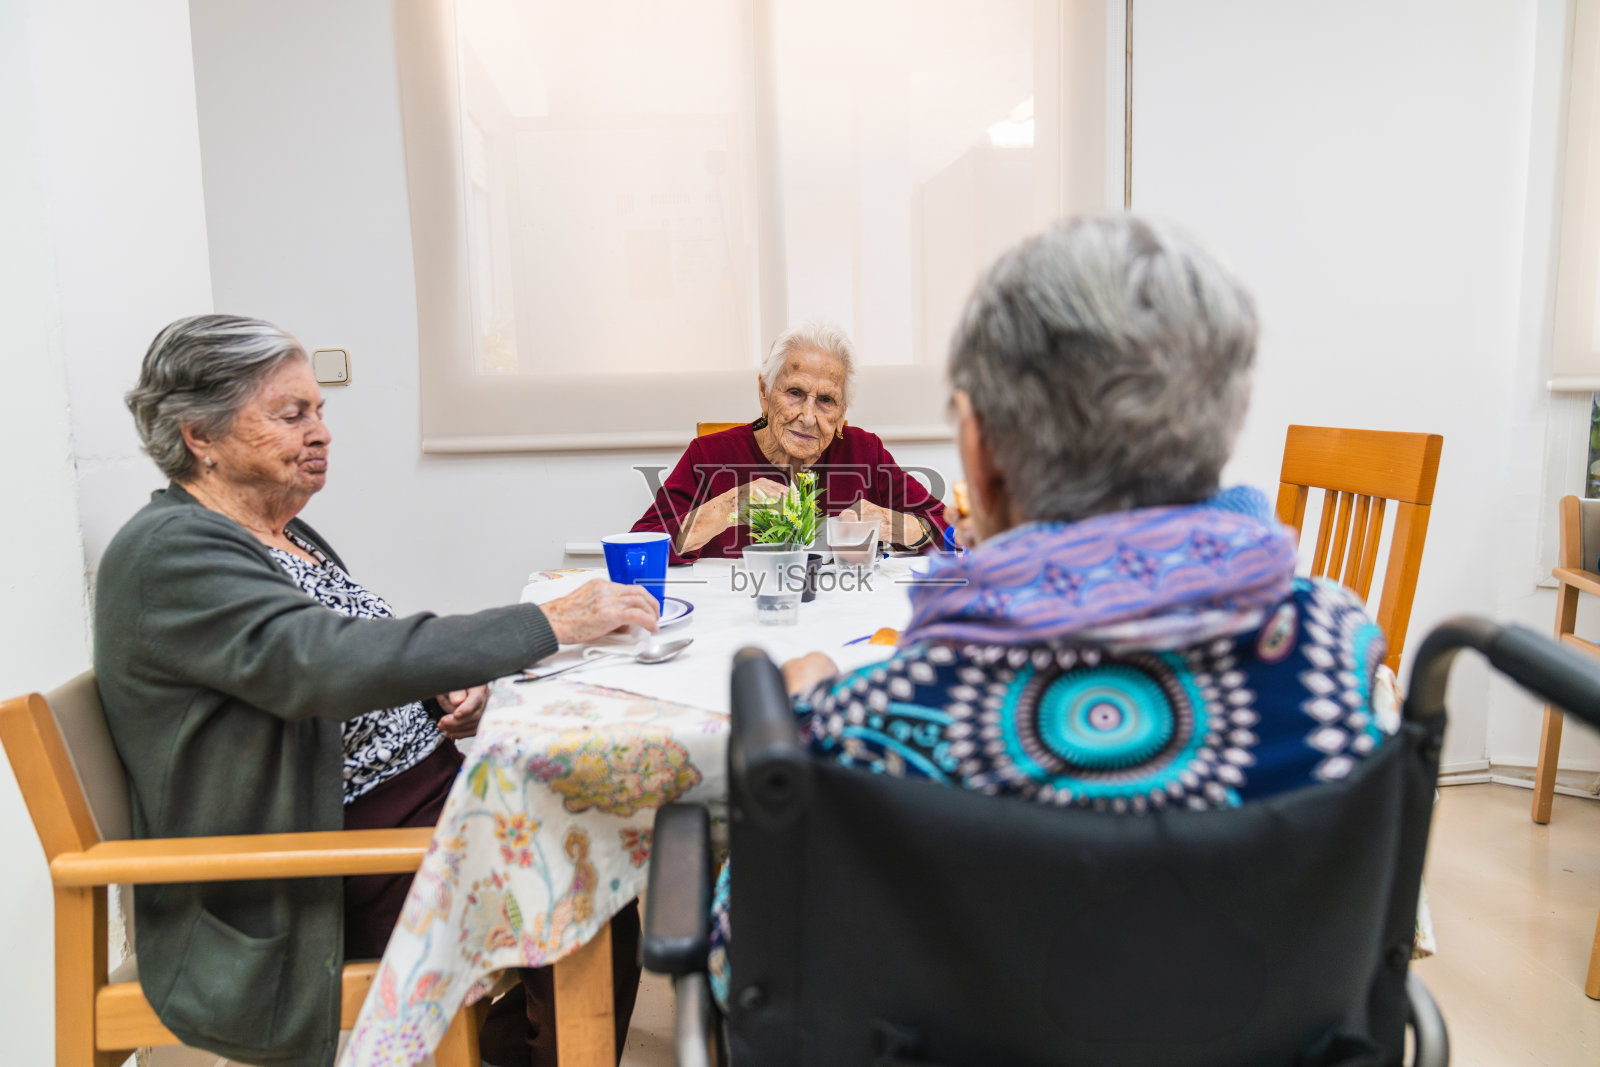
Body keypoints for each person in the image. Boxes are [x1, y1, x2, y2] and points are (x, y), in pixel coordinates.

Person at [706, 214, 1398, 1006]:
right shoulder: (1339, 659)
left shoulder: (875, 720)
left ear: (982, 455)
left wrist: (792, 727)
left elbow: (745, 961)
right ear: (1222, 427)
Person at [94, 315, 658, 1067]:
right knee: (578, 887)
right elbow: (319, 662)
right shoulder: (171, 551)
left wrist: (437, 696)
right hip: (321, 860)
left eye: (320, 411)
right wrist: (547, 621)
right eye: (291, 414)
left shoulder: (279, 532)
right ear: (200, 432)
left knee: (593, 847)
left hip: (411, 807)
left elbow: (343, 652)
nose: (320, 431)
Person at [629, 321, 950, 561]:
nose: (808, 417)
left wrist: (896, 526)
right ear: (764, 392)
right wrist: (727, 506)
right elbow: (637, 549)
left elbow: (954, 534)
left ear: (841, 413)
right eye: (794, 393)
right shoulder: (710, 455)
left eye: (826, 400)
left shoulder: (864, 452)